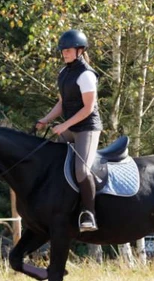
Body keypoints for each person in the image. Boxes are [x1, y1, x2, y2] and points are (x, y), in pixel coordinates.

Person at [36, 29, 103, 232]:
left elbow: (88, 108)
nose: (64, 53)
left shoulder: (86, 75)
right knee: (54, 164)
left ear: (80, 50)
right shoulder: (63, 73)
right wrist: (45, 120)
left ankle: (89, 213)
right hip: (70, 127)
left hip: (87, 129)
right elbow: (62, 103)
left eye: (68, 50)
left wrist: (64, 125)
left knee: (81, 169)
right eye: (62, 50)